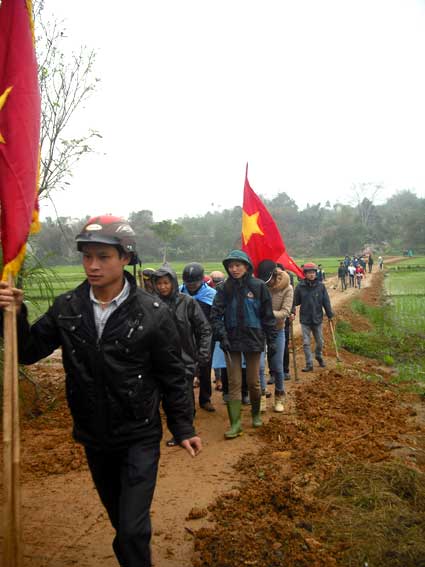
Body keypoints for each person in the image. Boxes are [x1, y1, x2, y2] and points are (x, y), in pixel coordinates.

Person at [0, 215, 201, 567]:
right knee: (120, 522)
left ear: (125, 257)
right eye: (87, 256)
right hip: (94, 435)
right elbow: (29, 350)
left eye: (103, 257)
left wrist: (183, 426)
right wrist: (15, 313)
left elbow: (172, 374)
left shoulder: (152, 313)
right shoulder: (68, 307)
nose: (92, 266)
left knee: (132, 530)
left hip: (139, 434)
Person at [211, 250, 277, 439]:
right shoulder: (224, 288)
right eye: (231, 266)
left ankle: (255, 415)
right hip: (230, 340)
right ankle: (236, 424)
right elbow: (216, 314)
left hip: (253, 338)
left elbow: (267, 316)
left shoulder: (258, 287)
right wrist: (221, 335)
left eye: (238, 265)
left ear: (246, 266)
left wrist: (271, 340)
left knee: (253, 382)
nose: (234, 269)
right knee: (234, 383)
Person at [152, 263, 212, 446]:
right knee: (165, 398)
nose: (162, 287)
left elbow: (204, 329)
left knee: (183, 397)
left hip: (185, 358)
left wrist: (202, 356)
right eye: (159, 283)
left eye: (166, 283)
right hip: (160, 359)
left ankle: (184, 433)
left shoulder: (187, 302)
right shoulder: (152, 304)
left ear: (172, 282)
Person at [258, 260, 294, 412]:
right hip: (259, 330)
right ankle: (261, 395)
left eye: (269, 280)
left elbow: (285, 312)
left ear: (275, 275)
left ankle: (279, 395)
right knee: (259, 366)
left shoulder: (287, 288)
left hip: (277, 330)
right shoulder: (259, 286)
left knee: (277, 366)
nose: (268, 283)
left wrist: (267, 314)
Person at [180, 262, 217, 412]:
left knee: (205, 366)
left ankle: (205, 398)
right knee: (185, 368)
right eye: (188, 283)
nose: (192, 285)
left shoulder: (211, 295)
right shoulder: (179, 293)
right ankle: (188, 403)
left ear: (202, 280)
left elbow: (216, 316)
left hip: (205, 336)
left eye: (195, 282)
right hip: (184, 336)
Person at [293, 262, 333, 372]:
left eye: (313, 272)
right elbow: (294, 302)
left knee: (320, 342)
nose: (311, 275)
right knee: (306, 342)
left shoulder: (321, 286)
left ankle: (318, 356)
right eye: (309, 273)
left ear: (316, 274)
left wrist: (330, 314)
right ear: (305, 274)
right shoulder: (300, 287)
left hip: (317, 318)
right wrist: (291, 311)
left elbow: (326, 301)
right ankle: (309, 363)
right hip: (305, 319)